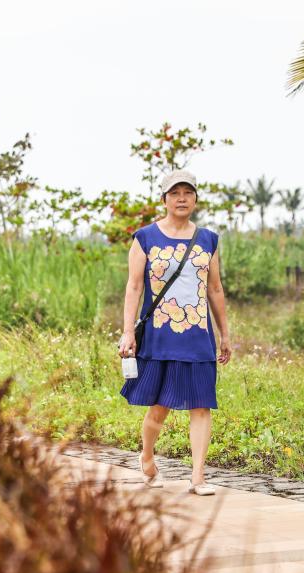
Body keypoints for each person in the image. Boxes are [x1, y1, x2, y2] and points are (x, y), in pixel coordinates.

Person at [118, 170, 232, 496]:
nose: (181, 198)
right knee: (159, 408)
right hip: (159, 336)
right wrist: (128, 332)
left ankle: (198, 477)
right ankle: (147, 455)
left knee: (201, 405)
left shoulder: (208, 239)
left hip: (197, 337)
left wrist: (225, 335)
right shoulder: (145, 237)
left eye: (188, 192)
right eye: (175, 193)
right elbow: (134, 286)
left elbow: (216, 289)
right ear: (164, 199)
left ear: (195, 199)